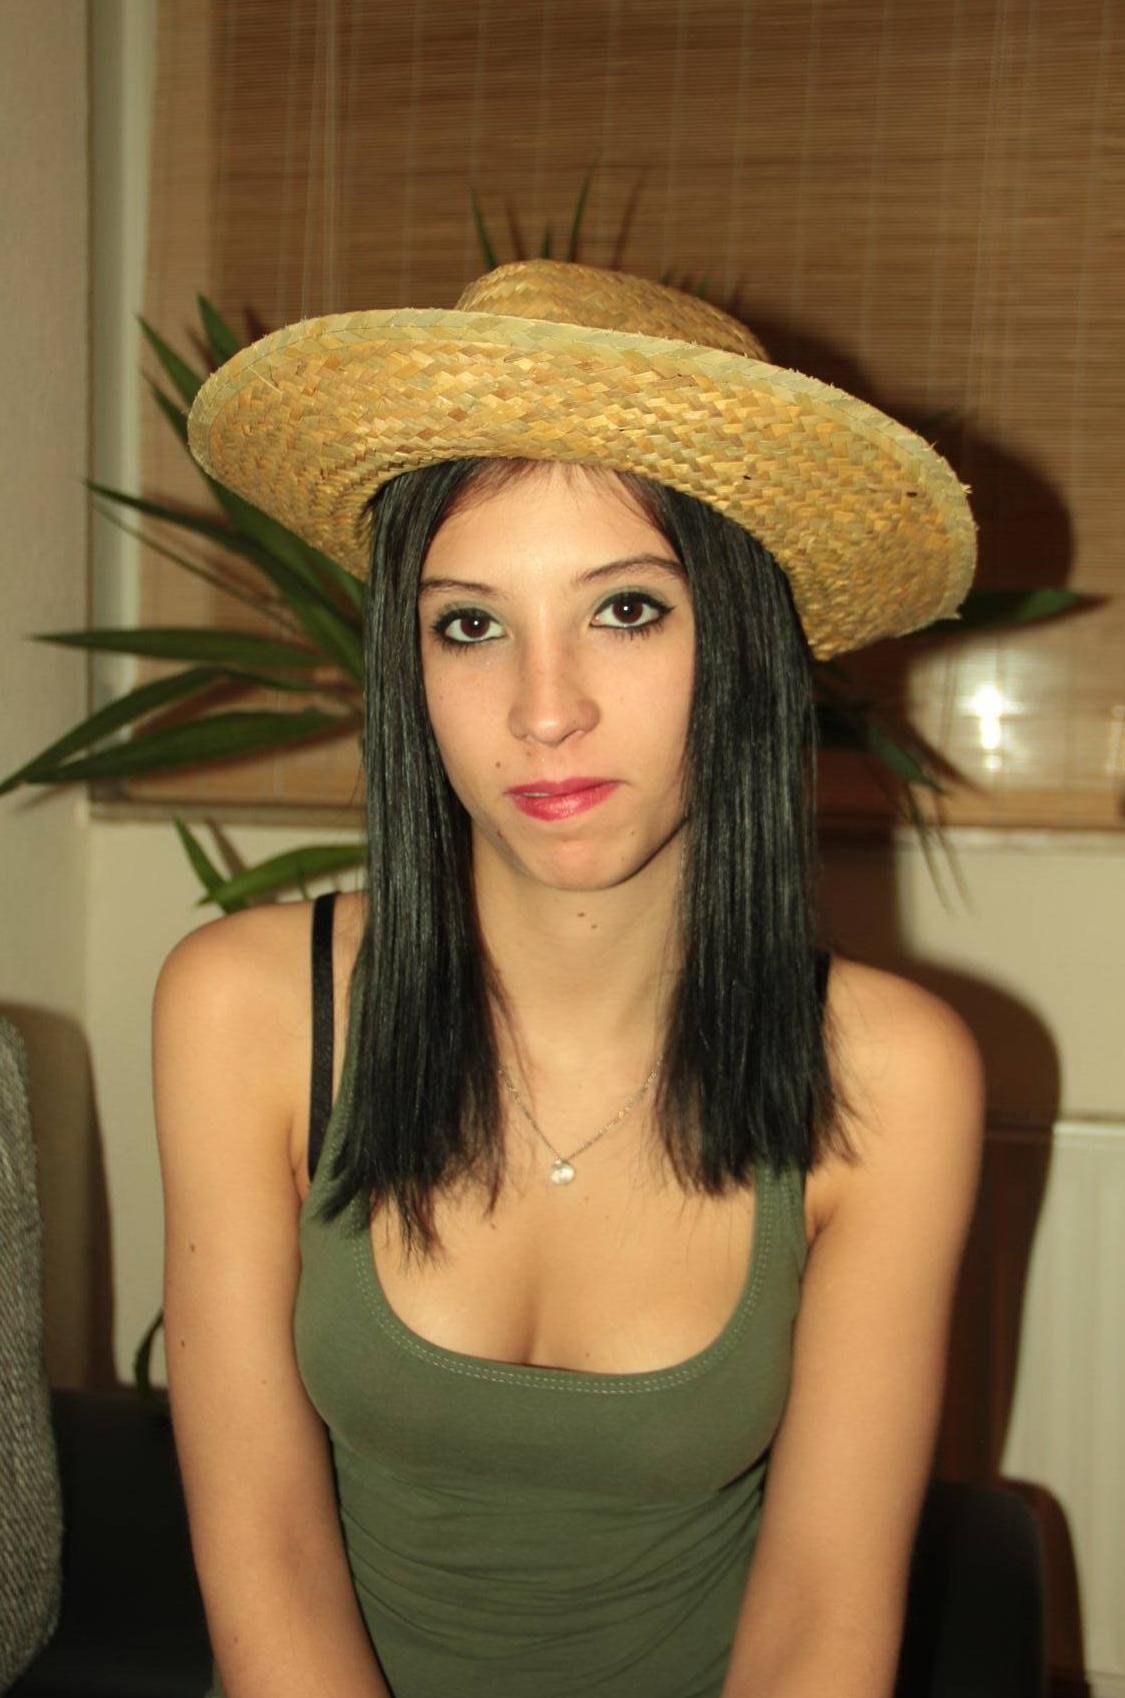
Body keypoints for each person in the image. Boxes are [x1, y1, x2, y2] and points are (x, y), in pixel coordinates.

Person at [153, 259, 986, 1698]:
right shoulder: (247, 1010)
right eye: (470, 623)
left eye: (627, 610)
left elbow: (820, 1624)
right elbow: (268, 1567)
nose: (545, 710)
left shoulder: (889, 1077)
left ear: (744, 641)